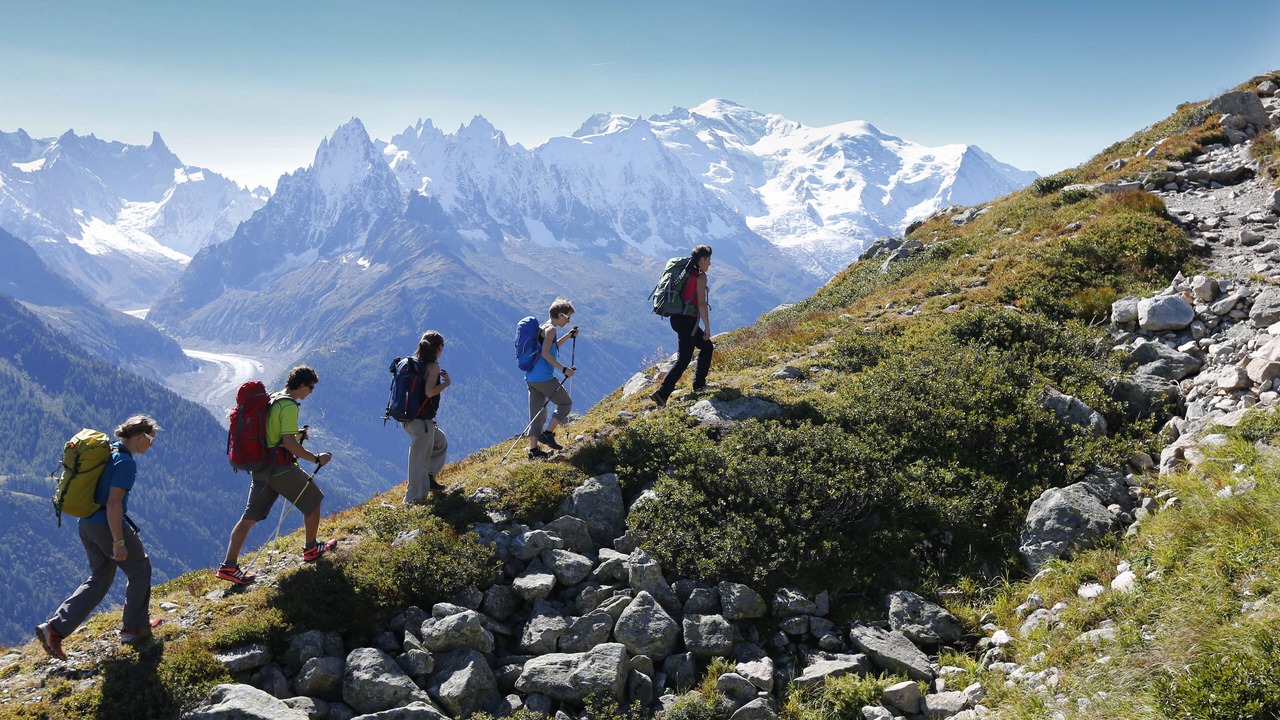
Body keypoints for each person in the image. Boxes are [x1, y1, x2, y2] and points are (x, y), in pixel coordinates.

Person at [36, 415, 162, 659]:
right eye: (150, 438)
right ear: (138, 437)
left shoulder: (108, 452)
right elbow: (114, 504)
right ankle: (134, 629)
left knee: (101, 577)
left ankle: (54, 628)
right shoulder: (125, 463)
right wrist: (119, 541)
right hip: (107, 524)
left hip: (87, 524)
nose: (151, 443)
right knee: (140, 569)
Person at [216, 365, 335, 586]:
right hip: (280, 468)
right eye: (310, 388)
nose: (310, 392)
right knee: (314, 500)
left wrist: (296, 434)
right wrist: (316, 458)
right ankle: (311, 548)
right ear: (301, 385)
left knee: (249, 518)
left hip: (260, 467)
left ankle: (229, 566)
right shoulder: (289, 406)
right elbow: (288, 443)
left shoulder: (272, 398)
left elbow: (271, 432)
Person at [651, 245, 714, 407]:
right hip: (688, 321)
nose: (709, 263)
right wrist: (707, 327)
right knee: (684, 358)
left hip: (676, 319)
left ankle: (699, 385)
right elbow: (701, 303)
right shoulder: (700, 276)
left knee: (706, 347)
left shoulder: (685, 274)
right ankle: (662, 394)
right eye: (708, 259)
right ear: (702, 259)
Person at [526, 298, 578, 460]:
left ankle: (533, 451)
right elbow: (545, 354)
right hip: (544, 378)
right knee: (565, 403)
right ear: (560, 315)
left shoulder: (544, 327)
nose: (568, 321)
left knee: (537, 413)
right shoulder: (551, 330)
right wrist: (563, 369)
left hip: (532, 377)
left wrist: (568, 336)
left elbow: (550, 347)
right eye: (567, 317)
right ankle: (548, 434)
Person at [403, 331, 450, 504]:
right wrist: (446, 383)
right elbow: (429, 392)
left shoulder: (415, 363)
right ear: (438, 347)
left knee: (440, 441)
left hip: (409, 419)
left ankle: (428, 479)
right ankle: (413, 499)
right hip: (422, 421)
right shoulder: (433, 367)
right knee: (417, 458)